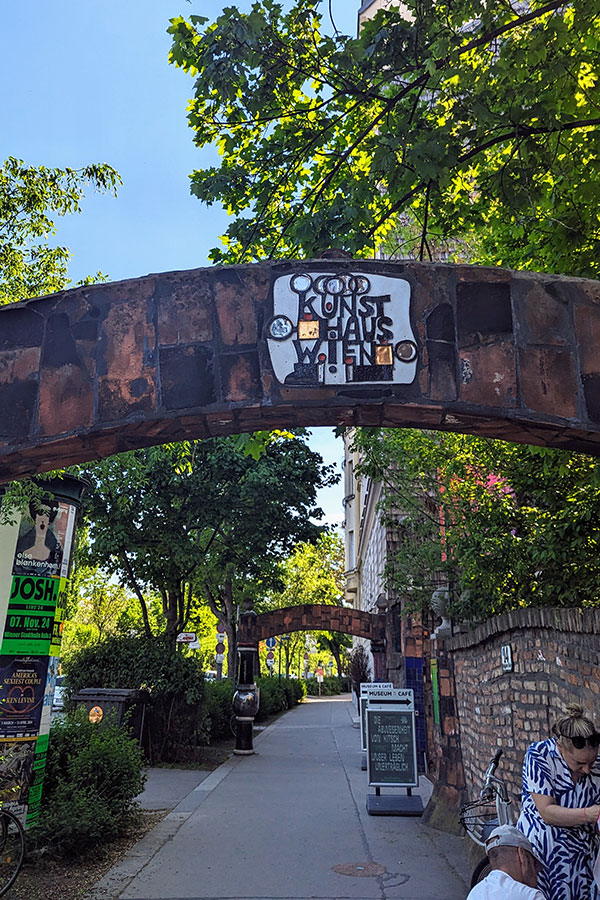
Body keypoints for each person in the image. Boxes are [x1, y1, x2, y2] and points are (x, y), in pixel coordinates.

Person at [517, 704, 600, 900]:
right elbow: (547, 812)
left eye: (592, 762)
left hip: (584, 859)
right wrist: (590, 814)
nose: (587, 770)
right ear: (561, 747)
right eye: (579, 763)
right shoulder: (539, 755)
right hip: (545, 858)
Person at [466, 825, 546, 899]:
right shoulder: (531, 896)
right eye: (533, 864)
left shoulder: (475, 893)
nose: (536, 874)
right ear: (522, 855)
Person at [13, 499, 63, 577]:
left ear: (50, 520)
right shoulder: (20, 544)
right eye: (40, 513)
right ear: (35, 516)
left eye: (47, 515)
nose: (43, 519)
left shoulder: (56, 549)